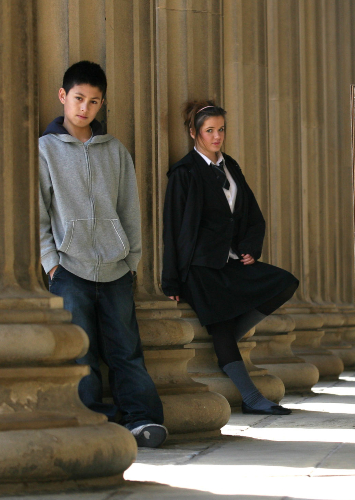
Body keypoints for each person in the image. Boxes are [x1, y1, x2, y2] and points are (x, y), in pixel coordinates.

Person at [39, 61, 167, 446]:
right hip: (69, 269)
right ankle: (90, 421)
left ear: (101, 104)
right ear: (63, 96)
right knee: (82, 352)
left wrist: (132, 262)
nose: (85, 108)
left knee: (126, 350)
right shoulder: (45, 150)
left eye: (94, 102)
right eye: (78, 99)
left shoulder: (115, 151)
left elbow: (130, 210)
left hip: (115, 269)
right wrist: (51, 264)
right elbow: (39, 212)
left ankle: (142, 420)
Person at [162, 100, 299, 415]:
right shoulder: (184, 173)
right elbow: (173, 228)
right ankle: (252, 399)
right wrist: (171, 278)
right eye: (210, 130)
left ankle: (224, 339)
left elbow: (252, 215)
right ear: (194, 133)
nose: (217, 136)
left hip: (232, 263)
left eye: (221, 130)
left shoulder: (231, 167)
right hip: (199, 267)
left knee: (283, 283)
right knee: (221, 328)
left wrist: (250, 247)